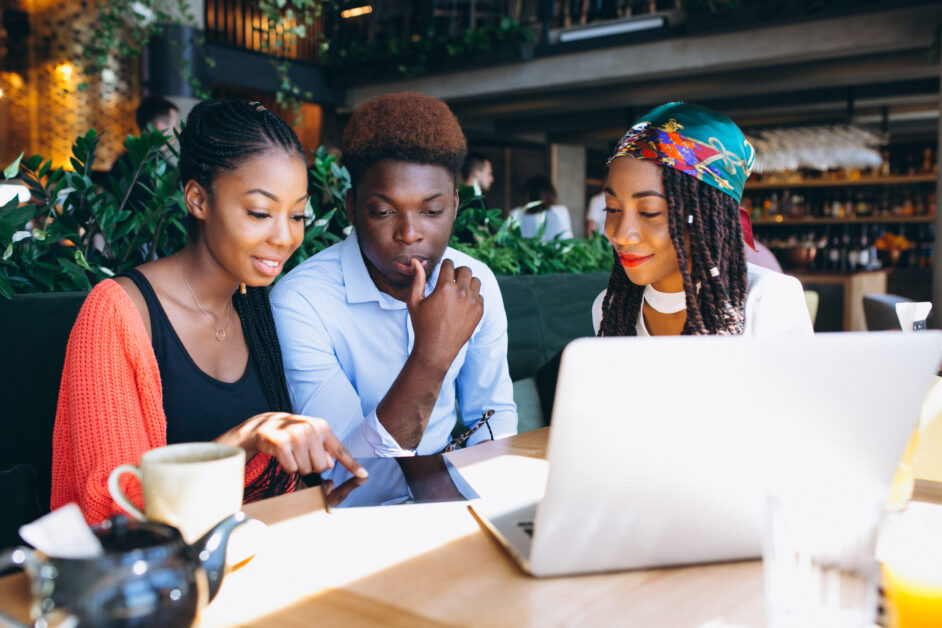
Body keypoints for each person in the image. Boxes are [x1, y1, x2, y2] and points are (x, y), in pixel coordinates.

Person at [52, 100, 366, 525]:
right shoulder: (118, 312)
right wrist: (247, 438)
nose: (285, 236)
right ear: (198, 199)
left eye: (296, 215)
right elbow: (109, 508)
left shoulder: (259, 308)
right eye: (259, 212)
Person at [270, 92, 517, 457]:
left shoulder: (474, 283)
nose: (410, 233)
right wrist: (432, 354)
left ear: (455, 207)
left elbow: (493, 414)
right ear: (353, 207)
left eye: (432, 211)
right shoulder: (301, 303)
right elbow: (346, 466)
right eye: (385, 212)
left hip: (452, 482)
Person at [592, 102, 813, 337]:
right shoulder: (609, 306)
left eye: (649, 212)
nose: (621, 235)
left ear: (705, 219)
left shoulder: (768, 300)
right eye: (612, 209)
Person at [510, 175, 574, 242]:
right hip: (554, 252)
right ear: (550, 193)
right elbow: (567, 241)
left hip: (521, 252)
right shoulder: (560, 211)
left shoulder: (515, 213)